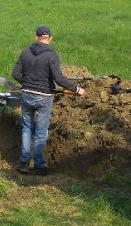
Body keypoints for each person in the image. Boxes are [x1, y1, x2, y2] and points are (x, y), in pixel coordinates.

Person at [11, 26, 85, 175]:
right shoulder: (52, 56)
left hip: (27, 94)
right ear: (50, 38)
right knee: (41, 131)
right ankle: (39, 165)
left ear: (36, 37)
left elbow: (15, 74)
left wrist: (26, 83)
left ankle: (24, 162)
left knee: (26, 128)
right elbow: (58, 78)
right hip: (44, 97)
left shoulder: (25, 52)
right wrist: (77, 89)